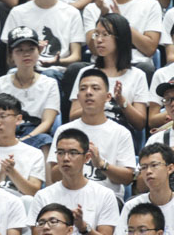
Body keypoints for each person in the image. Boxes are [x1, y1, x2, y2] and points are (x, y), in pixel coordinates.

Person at [50, 74, 137, 204]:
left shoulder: (121, 133)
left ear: (108, 97)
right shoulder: (64, 131)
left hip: (106, 199)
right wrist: (70, 161)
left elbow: (128, 178)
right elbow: (53, 176)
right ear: (78, 97)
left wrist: (102, 164)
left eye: (95, 88)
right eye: (83, 89)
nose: (88, 92)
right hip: (67, 196)